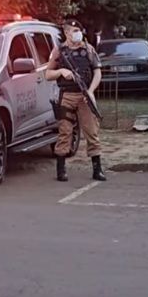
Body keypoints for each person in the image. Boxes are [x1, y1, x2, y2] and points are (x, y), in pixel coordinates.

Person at [46, 21, 107, 182]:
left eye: (78, 30)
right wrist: (61, 71)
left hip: (84, 95)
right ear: (66, 33)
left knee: (91, 131)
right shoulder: (59, 50)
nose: (77, 33)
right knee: (65, 132)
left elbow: (97, 72)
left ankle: (97, 169)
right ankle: (61, 169)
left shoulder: (88, 49)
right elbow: (48, 74)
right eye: (74, 30)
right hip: (66, 95)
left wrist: (90, 91)